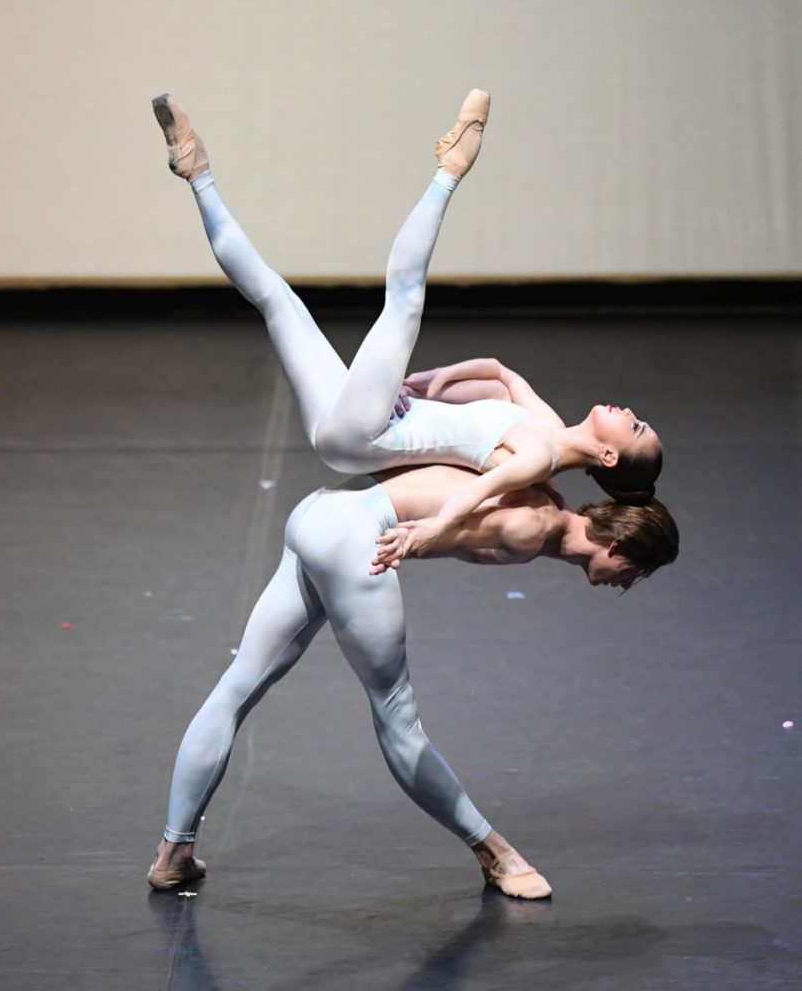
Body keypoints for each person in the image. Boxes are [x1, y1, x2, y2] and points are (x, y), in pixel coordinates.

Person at [151, 92, 664, 557]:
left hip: (367, 432)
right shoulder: (548, 424)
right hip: (355, 431)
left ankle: (450, 170)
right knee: (276, 298)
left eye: (634, 427)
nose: (630, 412)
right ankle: (196, 171)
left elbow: (473, 494)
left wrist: (430, 531)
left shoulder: (539, 459)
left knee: (404, 303)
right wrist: (419, 382)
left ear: (608, 455)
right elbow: (499, 373)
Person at [147, 463, 679, 897]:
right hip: (356, 534)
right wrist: (419, 539)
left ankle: (173, 855)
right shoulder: (533, 527)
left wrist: (428, 383)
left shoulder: (536, 475)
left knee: (237, 686)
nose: (628, 585)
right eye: (639, 573)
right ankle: (497, 856)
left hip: (319, 512)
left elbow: (502, 384)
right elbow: (433, 533)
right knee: (395, 713)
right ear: (620, 548)